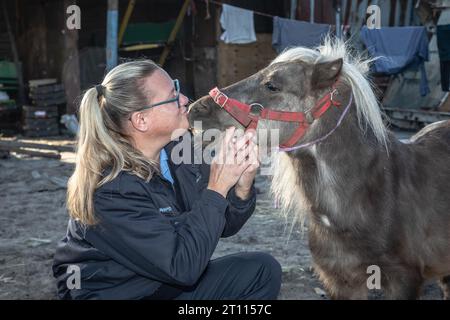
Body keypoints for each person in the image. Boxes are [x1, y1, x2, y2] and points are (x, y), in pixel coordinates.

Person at [52, 60, 282, 300]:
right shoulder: (111, 190)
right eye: (172, 97)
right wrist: (217, 187)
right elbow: (182, 268)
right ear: (141, 120)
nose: (184, 100)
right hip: (122, 293)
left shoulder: (178, 150)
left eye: (178, 88)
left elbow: (222, 224)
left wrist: (242, 186)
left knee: (262, 271)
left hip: (161, 284)